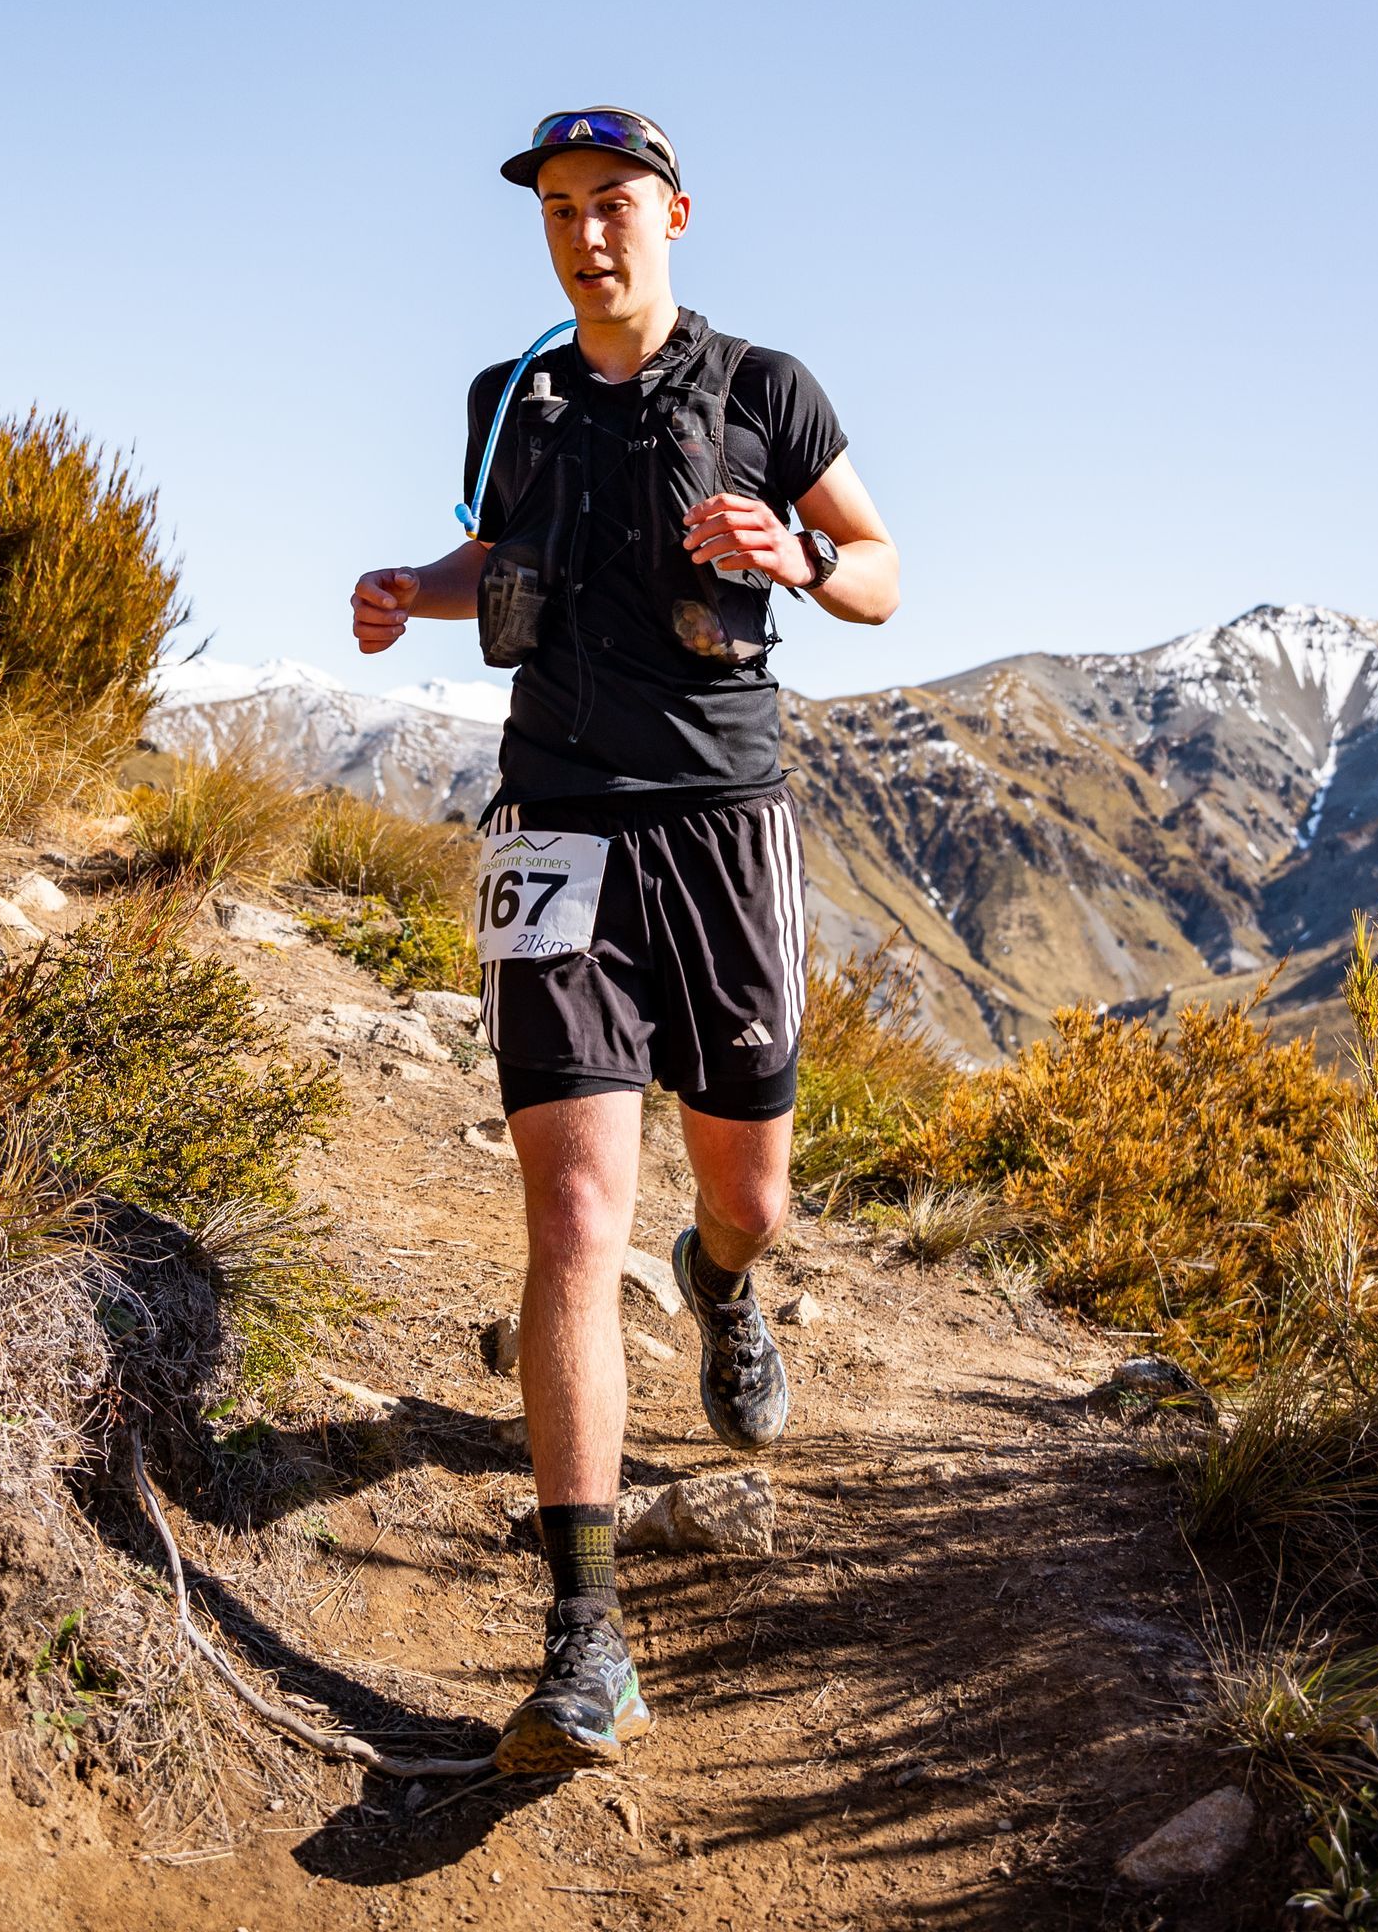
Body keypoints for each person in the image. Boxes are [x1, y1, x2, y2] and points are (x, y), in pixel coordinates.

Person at [350, 107, 898, 1777]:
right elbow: (497, 564)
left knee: (750, 1197)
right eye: (560, 210)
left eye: (615, 206)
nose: (588, 234)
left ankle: (725, 1288)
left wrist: (799, 555)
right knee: (575, 1211)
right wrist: (409, 590)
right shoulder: (510, 398)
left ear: (675, 213)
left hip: (724, 829)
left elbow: (879, 570)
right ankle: (586, 1644)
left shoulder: (765, 389)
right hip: (555, 826)